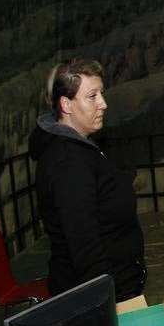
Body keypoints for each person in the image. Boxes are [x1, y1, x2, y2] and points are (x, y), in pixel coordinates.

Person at [30, 59, 146, 302]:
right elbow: (84, 246)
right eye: (92, 96)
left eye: (101, 94)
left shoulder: (81, 150)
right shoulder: (67, 163)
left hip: (114, 290)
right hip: (97, 300)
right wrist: (107, 301)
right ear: (66, 104)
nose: (103, 104)